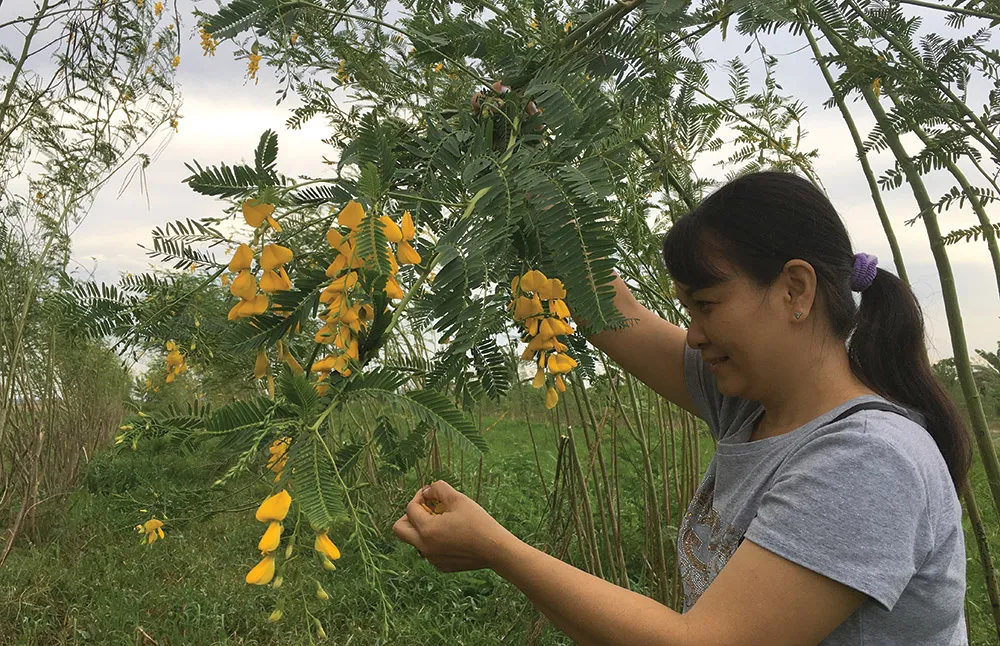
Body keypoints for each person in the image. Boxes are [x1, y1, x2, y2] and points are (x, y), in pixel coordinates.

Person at [392, 171, 971, 645]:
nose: (692, 335)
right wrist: (528, 167)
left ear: (796, 290)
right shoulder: (750, 405)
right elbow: (609, 312)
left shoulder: (868, 460)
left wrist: (497, 550)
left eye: (707, 305)